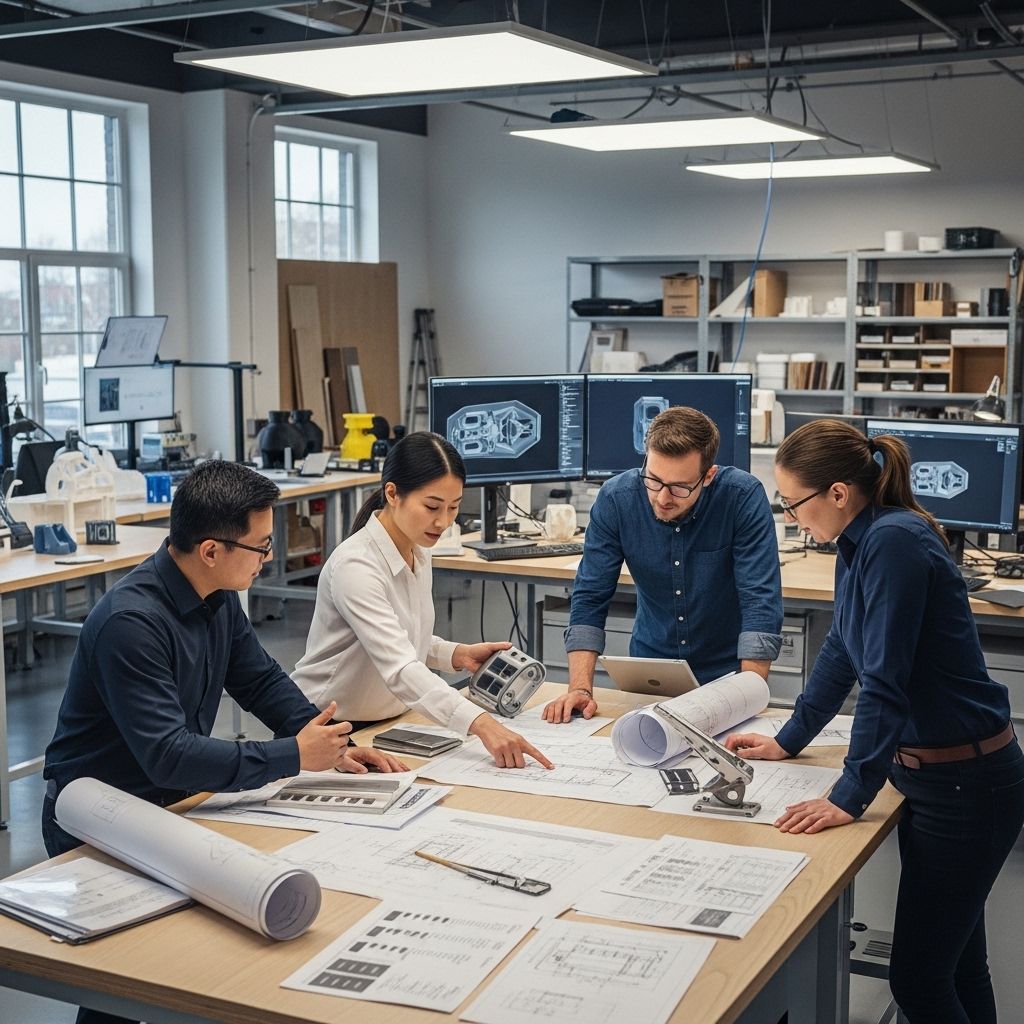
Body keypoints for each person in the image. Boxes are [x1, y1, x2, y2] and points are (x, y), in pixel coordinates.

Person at [43, 461, 405, 1024]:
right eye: (260, 548)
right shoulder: (131, 622)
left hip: (170, 804)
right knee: (124, 979)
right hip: (98, 813)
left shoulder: (215, 596)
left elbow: (258, 678)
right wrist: (294, 757)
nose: (267, 559)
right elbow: (169, 756)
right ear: (212, 550)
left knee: (190, 960)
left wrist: (327, 738)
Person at [724, 420, 1024, 1024]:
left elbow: (884, 682)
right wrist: (789, 739)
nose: (791, 518)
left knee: (918, 981)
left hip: (968, 784)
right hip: (937, 778)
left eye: (794, 503)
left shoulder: (895, 542)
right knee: (957, 963)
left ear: (838, 493)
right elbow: (841, 649)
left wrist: (850, 794)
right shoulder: (860, 542)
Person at [293, 431, 554, 770]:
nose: (443, 522)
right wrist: (483, 724)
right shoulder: (355, 566)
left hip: (387, 724)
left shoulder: (418, 548)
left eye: (454, 508)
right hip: (329, 728)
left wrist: (456, 655)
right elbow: (399, 666)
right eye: (432, 507)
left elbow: (401, 635)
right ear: (392, 494)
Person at [543, 406, 783, 723]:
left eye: (680, 487)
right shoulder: (617, 499)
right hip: (650, 675)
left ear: (708, 476)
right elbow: (590, 595)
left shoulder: (741, 497)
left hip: (729, 675)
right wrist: (580, 689)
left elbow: (760, 601)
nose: (662, 498)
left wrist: (747, 697)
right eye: (653, 480)